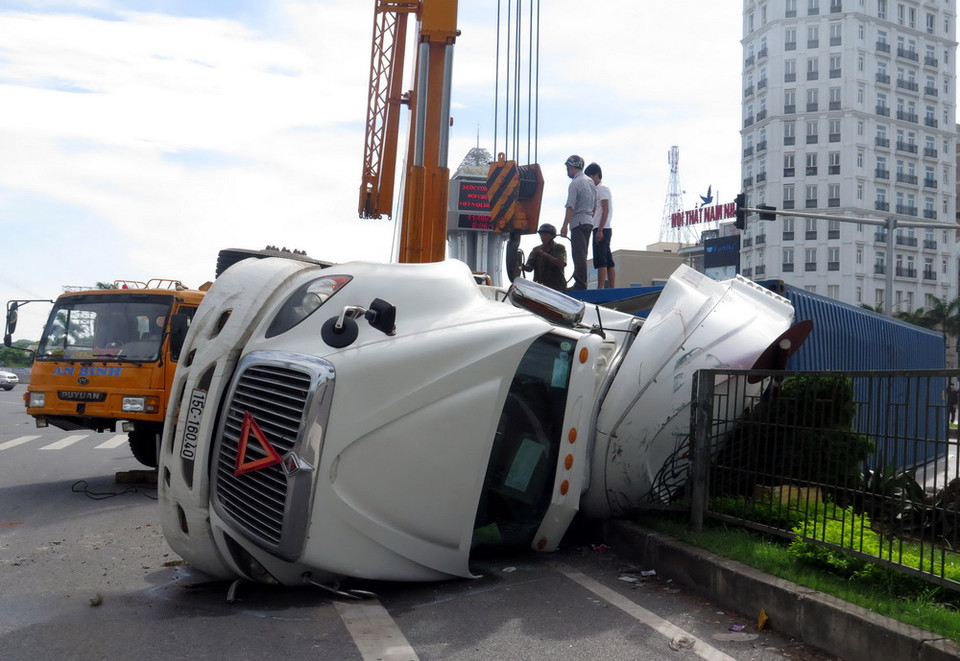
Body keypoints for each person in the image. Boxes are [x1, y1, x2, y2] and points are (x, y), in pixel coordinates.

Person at [559, 155, 595, 290]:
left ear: (572, 167)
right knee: (583, 253)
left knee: (578, 254)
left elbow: (570, 206)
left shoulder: (574, 183)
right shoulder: (590, 181)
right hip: (589, 220)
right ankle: (581, 281)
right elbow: (594, 204)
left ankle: (580, 283)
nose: (567, 170)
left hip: (578, 222)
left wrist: (564, 226)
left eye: (568, 167)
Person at [584, 162, 616, 289]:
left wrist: (600, 230)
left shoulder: (602, 188)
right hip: (599, 226)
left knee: (601, 259)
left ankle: (600, 287)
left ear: (595, 175)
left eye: (590, 177)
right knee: (608, 259)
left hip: (601, 227)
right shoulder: (597, 189)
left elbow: (605, 209)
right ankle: (611, 286)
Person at [523, 223, 567, 292]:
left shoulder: (559, 248)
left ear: (552, 236)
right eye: (541, 235)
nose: (543, 237)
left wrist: (544, 254)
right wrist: (522, 266)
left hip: (557, 287)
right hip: (540, 288)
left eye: (545, 235)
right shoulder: (536, 249)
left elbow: (561, 264)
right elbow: (529, 268)